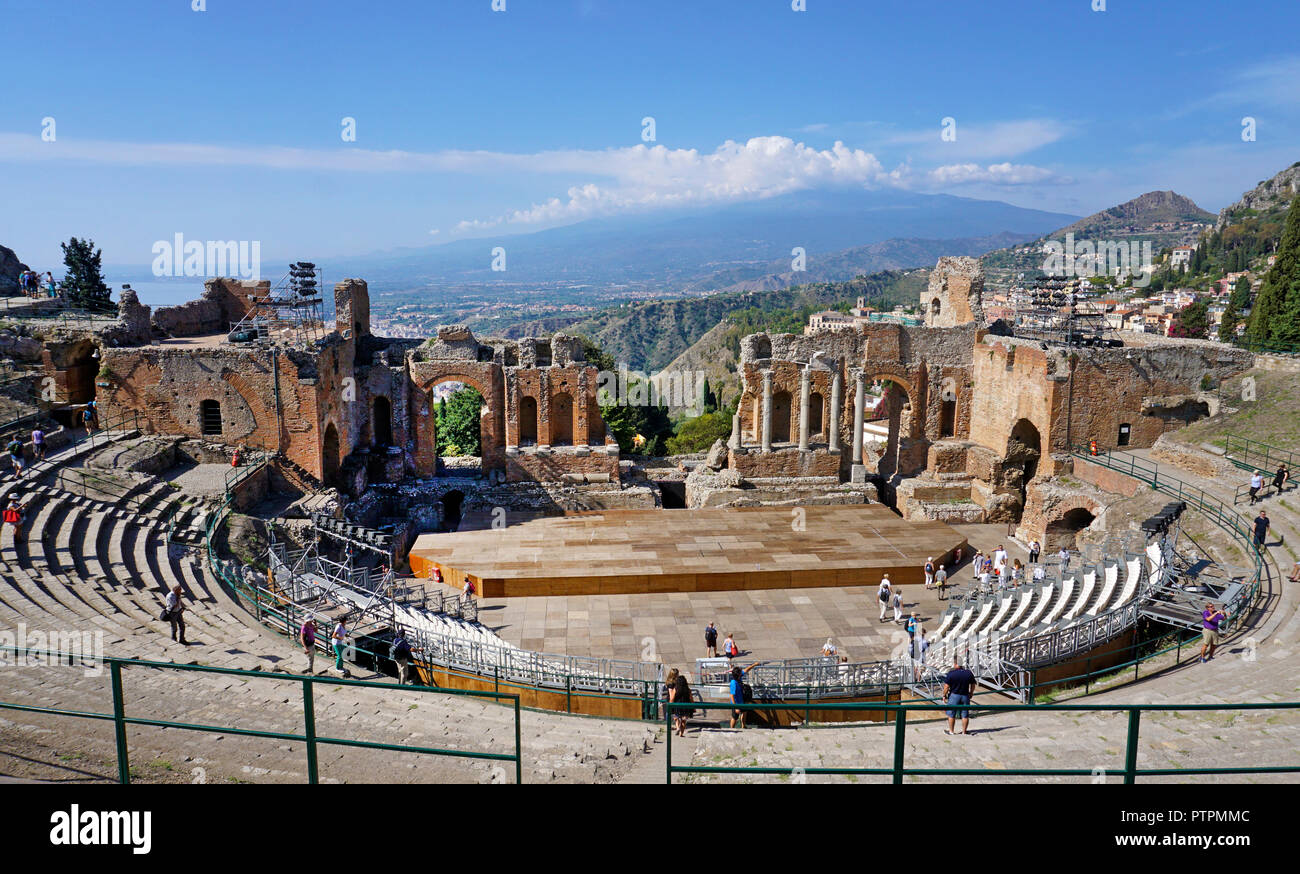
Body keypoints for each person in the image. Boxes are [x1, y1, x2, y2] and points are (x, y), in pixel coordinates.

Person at [942, 655, 976, 736]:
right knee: (965, 714)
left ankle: (951, 731)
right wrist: (971, 693)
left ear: (955, 663)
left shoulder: (951, 674)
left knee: (951, 714)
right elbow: (973, 684)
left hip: (954, 695)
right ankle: (964, 732)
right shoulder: (968, 673)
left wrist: (944, 695)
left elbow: (946, 687)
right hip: (965, 695)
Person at [728, 662, 759, 729]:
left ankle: (743, 726)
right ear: (738, 675)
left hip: (742, 701)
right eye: (740, 672)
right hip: (736, 704)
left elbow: (746, 670)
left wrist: (754, 665)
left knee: (744, 712)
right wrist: (735, 707)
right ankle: (731, 729)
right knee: (734, 717)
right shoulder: (733, 683)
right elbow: (732, 696)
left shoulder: (738, 677)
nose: (742, 673)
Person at [666, 668, 693, 737]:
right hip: (686, 706)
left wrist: (670, 705)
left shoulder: (675, 687)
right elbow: (691, 698)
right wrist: (693, 707)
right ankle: (681, 733)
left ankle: (677, 727)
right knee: (683, 720)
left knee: (676, 716)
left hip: (677, 704)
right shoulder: (688, 689)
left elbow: (671, 697)